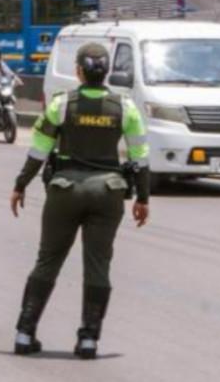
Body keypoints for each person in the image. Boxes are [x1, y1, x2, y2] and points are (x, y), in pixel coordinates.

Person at [9, 42, 151, 359]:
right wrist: (143, 198)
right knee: (98, 266)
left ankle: (24, 334)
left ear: (78, 71)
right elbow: (140, 157)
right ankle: (88, 341)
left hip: (64, 191)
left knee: (48, 261)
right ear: (107, 71)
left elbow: (39, 150)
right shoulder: (125, 107)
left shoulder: (61, 104)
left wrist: (20, 185)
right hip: (108, 193)